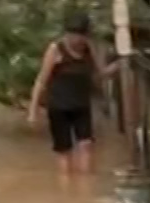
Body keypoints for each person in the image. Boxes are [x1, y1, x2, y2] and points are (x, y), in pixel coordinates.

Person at [28, 14, 115, 175]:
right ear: (66, 34)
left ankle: (84, 188)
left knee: (86, 145)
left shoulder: (89, 49)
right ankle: (67, 188)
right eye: (73, 35)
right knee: (64, 151)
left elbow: (100, 73)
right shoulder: (56, 49)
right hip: (58, 107)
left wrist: (120, 64)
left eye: (80, 35)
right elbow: (41, 80)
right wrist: (33, 112)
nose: (76, 40)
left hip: (81, 105)